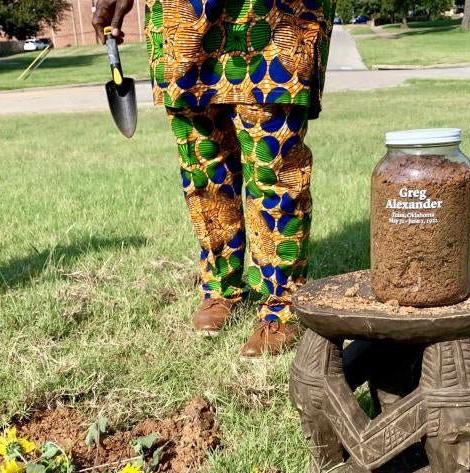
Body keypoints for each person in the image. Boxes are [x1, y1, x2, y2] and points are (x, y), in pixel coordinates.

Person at [93, 0, 334, 356]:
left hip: (271, 14)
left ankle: (281, 301)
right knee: (204, 165)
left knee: (275, 165)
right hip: (186, 18)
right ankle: (220, 284)